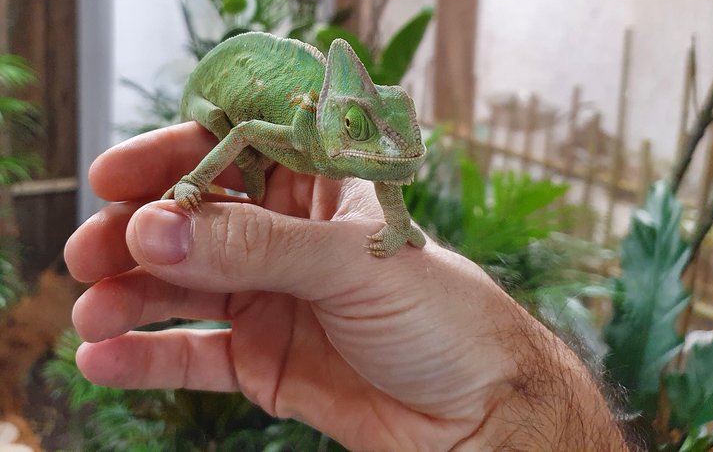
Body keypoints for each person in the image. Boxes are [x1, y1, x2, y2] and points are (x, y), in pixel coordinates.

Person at [65, 123, 629, 451]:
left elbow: (373, 169)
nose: (385, 154)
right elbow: (241, 130)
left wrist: (398, 224)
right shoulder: (310, 131)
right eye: (363, 131)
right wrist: (196, 182)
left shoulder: (339, 155)